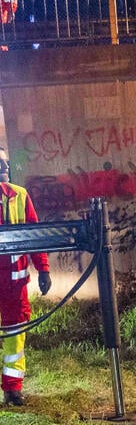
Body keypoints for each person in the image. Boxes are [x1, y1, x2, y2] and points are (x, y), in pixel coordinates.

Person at [0, 148, 51, 406]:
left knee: (15, 334)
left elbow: (33, 234)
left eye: (5, 162)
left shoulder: (20, 196)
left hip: (15, 284)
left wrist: (43, 269)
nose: (4, 167)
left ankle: (12, 389)